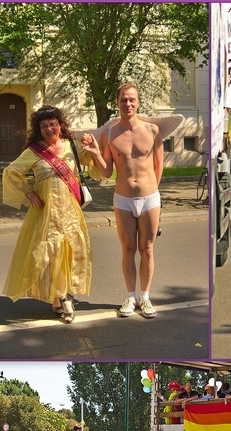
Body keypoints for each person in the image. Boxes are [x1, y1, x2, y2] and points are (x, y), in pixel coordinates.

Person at [81, 85, 182, 318]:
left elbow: (158, 166)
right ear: (117, 103)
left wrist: (152, 195)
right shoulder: (108, 134)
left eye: (132, 100)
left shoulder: (153, 129)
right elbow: (107, 172)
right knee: (127, 250)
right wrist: (96, 153)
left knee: (147, 249)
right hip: (123, 199)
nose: (128, 104)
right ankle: (130, 297)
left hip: (149, 200)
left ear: (138, 103)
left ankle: (145, 298)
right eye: (124, 100)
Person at [3, 105, 94, 323]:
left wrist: (92, 149)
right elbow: (11, 172)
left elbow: (92, 165)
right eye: (43, 126)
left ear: (60, 124)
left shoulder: (72, 146)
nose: (49, 128)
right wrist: (29, 193)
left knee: (70, 252)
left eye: (52, 123)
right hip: (46, 213)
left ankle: (61, 297)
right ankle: (62, 297)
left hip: (71, 212)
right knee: (50, 254)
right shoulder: (34, 151)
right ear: (38, 129)